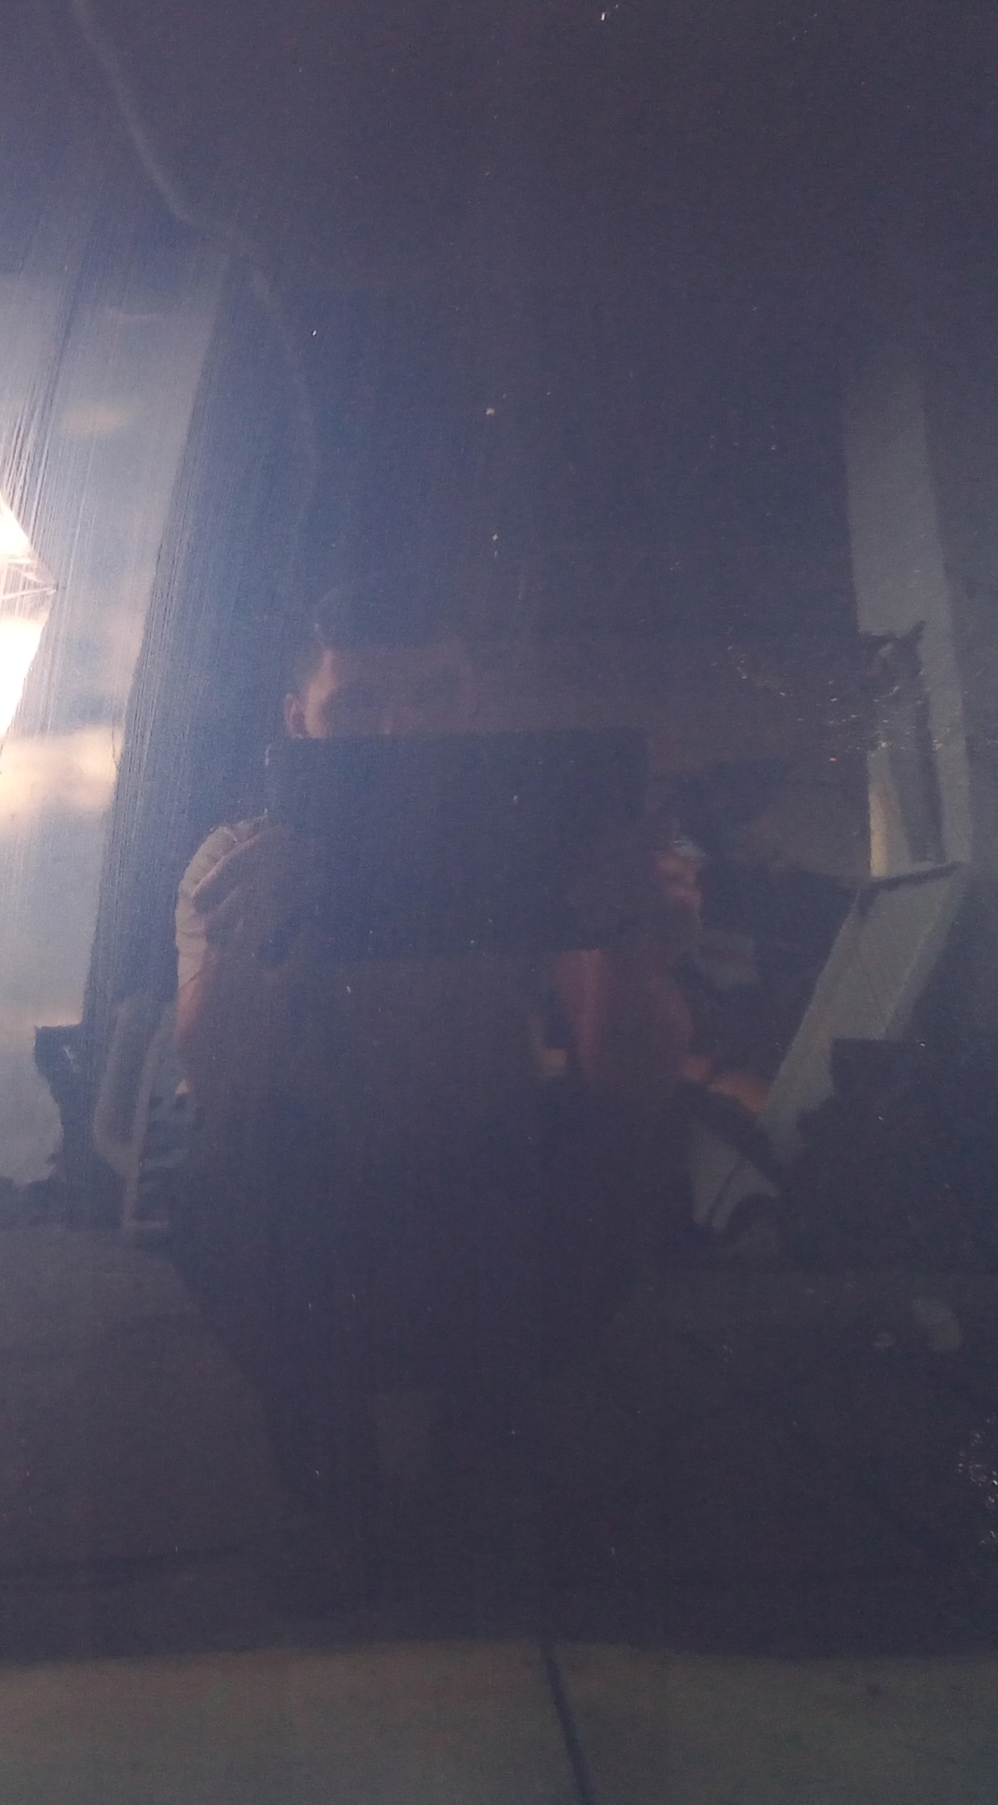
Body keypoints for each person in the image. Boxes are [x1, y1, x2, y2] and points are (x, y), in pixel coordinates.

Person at [168, 574, 701, 1607]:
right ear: (299, 721)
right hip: (319, 1197)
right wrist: (241, 953)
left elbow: (628, 1082)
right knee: (231, 1171)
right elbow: (220, 1094)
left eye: (432, 697)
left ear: (478, 705)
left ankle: (488, 1423)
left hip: (487, 1181)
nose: (398, 731)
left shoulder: (542, 845)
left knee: (617, 1149)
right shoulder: (242, 862)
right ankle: (325, 1434)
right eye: (358, 706)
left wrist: (633, 948)